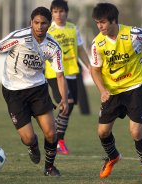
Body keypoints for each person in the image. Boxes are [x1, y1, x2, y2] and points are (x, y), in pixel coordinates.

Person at [0, 7, 68, 176]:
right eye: (36, 22)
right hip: (14, 91)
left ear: (49, 24)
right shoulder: (19, 37)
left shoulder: (53, 46)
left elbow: (60, 76)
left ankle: (49, 168)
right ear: (31, 23)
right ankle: (33, 146)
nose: (39, 26)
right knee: (28, 138)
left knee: (51, 133)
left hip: (38, 89)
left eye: (44, 23)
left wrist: (64, 98)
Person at [90, 3, 142, 183]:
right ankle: (113, 156)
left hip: (136, 86)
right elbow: (94, 69)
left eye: (102, 22)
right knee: (102, 132)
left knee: (135, 131)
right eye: (97, 23)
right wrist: (102, 90)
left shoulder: (132, 34)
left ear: (113, 21)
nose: (99, 26)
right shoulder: (97, 43)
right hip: (112, 91)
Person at [44, 0, 91, 155]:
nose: (59, 14)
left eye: (61, 11)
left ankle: (57, 139)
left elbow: (80, 50)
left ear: (67, 12)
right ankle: (56, 141)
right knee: (67, 104)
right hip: (54, 74)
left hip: (72, 72)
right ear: (51, 14)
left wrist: (90, 67)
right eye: (55, 12)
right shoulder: (48, 30)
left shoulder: (73, 28)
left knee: (68, 108)